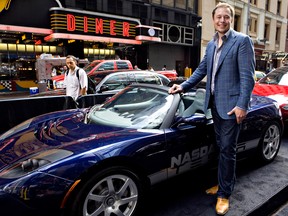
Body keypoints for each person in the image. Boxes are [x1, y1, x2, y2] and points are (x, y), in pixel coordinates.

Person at [168, 2, 255, 215]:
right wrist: (182, 85)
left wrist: (242, 105)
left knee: (227, 150)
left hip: (231, 108)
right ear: (213, 20)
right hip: (214, 106)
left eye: (226, 17)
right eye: (219, 17)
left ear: (231, 19)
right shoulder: (211, 44)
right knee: (221, 148)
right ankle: (223, 184)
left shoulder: (242, 41)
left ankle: (224, 194)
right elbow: (201, 70)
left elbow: (248, 77)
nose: (222, 20)